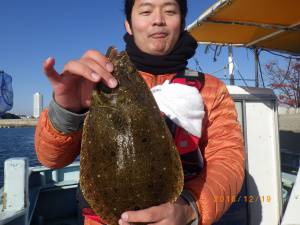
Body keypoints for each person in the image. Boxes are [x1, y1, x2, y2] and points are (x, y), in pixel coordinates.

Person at [35, 0, 245, 225]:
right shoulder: (91, 81)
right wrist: (67, 111)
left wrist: (190, 208)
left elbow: (227, 159)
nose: (158, 19)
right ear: (128, 24)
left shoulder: (211, 89)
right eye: (146, 11)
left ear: (182, 22)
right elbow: (51, 159)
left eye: (170, 11)